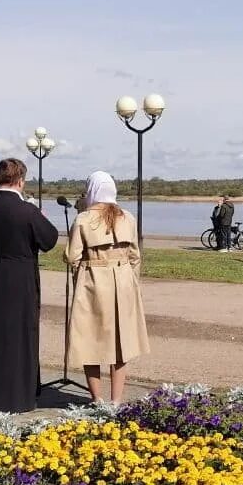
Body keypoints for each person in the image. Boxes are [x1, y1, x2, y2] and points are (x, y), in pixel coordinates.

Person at [0, 157, 59, 415]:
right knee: (17, 335)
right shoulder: (27, 211)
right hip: (19, 277)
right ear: (21, 181)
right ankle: (15, 396)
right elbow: (49, 239)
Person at [64, 171, 150, 404]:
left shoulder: (83, 219)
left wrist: (78, 278)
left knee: (89, 338)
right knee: (121, 341)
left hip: (93, 279)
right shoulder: (128, 218)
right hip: (123, 280)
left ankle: (97, 398)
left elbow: (72, 255)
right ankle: (117, 399)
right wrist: (132, 282)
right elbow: (135, 256)